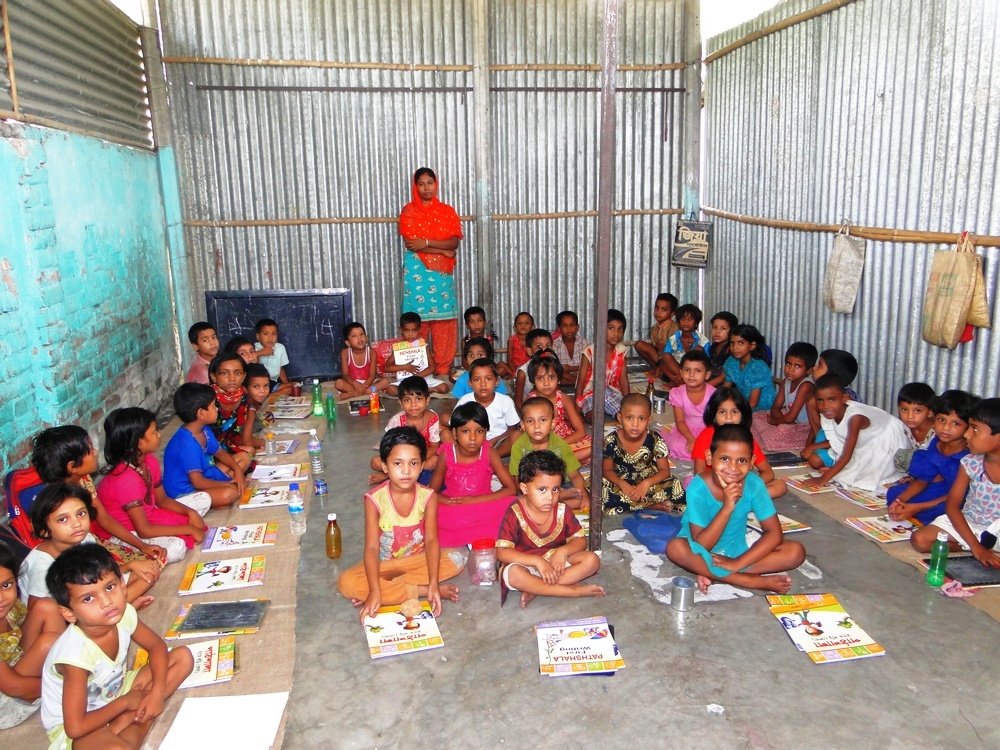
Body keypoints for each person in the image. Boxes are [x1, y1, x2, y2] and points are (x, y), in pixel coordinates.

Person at [40, 544, 192, 750]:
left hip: (117, 690)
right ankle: (133, 720)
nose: (106, 602)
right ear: (69, 613)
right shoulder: (74, 656)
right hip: (82, 725)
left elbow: (157, 647)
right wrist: (126, 703)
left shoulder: (123, 613)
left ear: (122, 584)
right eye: (88, 598)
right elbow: (75, 728)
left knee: (183, 657)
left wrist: (156, 693)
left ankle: (132, 718)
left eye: (110, 587)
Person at [338, 428, 466, 618]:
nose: (406, 470)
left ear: (422, 466)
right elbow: (371, 547)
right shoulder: (374, 499)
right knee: (347, 582)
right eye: (398, 463)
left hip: (416, 561)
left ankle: (389, 589)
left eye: (413, 463)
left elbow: (431, 540)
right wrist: (374, 590)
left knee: (455, 559)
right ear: (385, 466)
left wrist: (433, 581)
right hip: (386, 565)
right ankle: (418, 590)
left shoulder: (428, 496)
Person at [666, 425, 806, 594]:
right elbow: (702, 544)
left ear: (752, 462)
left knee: (795, 552)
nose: (733, 468)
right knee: (675, 548)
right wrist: (727, 508)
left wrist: (737, 563)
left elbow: (774, 533)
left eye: (742, 461)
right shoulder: (698, 487)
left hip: (737, 547)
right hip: (699, 549)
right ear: (709, 457)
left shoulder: (754, 484)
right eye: (725, 459)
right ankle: (749, 581)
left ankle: (710, 572)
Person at [20, 484, 159, 648]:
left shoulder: (85, 539)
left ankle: (114, 611)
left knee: (148, 572)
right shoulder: (41, 567)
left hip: (89, 595)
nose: (77, 524)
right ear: (44, 530)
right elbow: (39, 613)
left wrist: (131, 565)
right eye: (63, 519)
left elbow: (101, 576)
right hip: (63, 618)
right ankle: (120, 610)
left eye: (81, 514)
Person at [31, 427, 167, 566]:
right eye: (90, 450)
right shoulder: (54, 500)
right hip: (73, 558)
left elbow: (104, 518)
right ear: (72, 466)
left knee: (154, 562)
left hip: (89, 541)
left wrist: (142, 546)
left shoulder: (84, 480)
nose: (95, 452)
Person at [98, 407, 211, 564]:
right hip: (129, 531)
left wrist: (190, 512)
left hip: (150, 513)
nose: (159, 434)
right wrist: (189, 528)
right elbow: (144, 530)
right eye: (154, 432)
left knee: (203, 499)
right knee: (176, 547)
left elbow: (162, 500)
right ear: (139, 442)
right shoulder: (126, 480)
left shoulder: (149, 461)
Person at [496, 451, 603, 608]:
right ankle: (571, 591)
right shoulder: (515, 512)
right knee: (513, 574)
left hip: (556, 564)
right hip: (527, 565)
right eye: (542, 490)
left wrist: (562, 552)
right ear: (524, 488)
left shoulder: (562, 510)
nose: (550, 497)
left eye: (555, 489)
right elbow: (502, 552)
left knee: (592, 560)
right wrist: (537, 561)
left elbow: (580, 541)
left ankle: (536, 588)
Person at [910, 398, 1000, 567]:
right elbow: (952, 505)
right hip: (970, 523)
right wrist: (975, 546)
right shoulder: (970, 462)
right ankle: (974, 548)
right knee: (920, 540)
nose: (967, 434)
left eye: (975, 429)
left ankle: (982, 547)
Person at [399, 167, 464, 377]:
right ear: (415, 187)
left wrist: (426, 243)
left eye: (430, 182)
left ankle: (443, 370)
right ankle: (417, 372)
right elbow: (412, 244)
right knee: (416, 322)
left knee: (444, 322)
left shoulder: (447, 211)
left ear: (436, 184)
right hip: (417, 272)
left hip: (441, 276)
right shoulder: (409, 211)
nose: (426, 188)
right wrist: (443, 250)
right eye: (421, 184)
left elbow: (454, 242)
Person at [800, 374, 909, 492]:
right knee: (845, 473)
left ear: (844, 398)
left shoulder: (854, 418)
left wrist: (823, 479)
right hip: (869, 440)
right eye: (820, 400)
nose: (825, 406)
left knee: (867, 478)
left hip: (888, 438)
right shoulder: (832, 412)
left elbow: (846, 455)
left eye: (832, 399)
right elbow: (839, 440)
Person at [429, 403, 517, 547]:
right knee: (433, 515)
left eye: (479, 431)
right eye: (465, 431)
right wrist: (449, 501)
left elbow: (511, 489)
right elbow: (431, 492)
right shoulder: (447, 455)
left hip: (483, 504)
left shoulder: (489, 453)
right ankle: (477, 535)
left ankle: (474, 535)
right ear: (454, 433)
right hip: (455, 507)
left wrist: (474, 500)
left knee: (513, 505)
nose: (473, 437)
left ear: (486, 432)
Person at [887, 390, 976, 524]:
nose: (945, 428)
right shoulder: (936, 443)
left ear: (968, 427)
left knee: (941, 511)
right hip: (936, 488)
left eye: (956, 423)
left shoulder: (968, 456)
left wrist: (916, 507)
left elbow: (956, 497)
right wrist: (900, 501)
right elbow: (923, 480)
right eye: (941, 420)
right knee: (894, 494)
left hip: (954, 498)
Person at [0, 541, 58, 729]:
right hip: (8, 699)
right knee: (49, 642)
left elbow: (23, 630)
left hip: (14, 664)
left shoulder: (9, 607)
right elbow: (14, 687)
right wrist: (62, 686)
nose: (1, 598)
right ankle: (70, 681)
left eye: (6, 585)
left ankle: (70, 667)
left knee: (46, 606)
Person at [692, 386, 788, 499]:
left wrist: (745, 487)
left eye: (734, 412)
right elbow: (699, 473)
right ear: (713, 415)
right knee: (696, 488)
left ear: (742, 416)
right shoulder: (706, 435)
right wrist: (721, 487)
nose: (728, 417)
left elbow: (768, 472)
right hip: (714, 486)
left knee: (780, 485)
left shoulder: (745, 438)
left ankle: (742, 501)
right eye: (722, 412)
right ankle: (739, 502)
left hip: (741, 485)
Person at [163, 383, 245, 508]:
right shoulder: (186, 443)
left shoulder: (204, 430)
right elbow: (197, 482)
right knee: (229, 494)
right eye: (213, 406)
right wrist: (229, 485)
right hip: (186, 492)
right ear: (201, 413)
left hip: (205, 474)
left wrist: (238, 471)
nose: (217, 409)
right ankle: (221, 492)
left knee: (243, 457)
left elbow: (220, 454)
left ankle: (226, 487)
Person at [601, 393, 685, 515]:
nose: (635, 424)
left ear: (649, 420)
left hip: (648, 479)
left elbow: (665, 471)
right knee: (601, 491)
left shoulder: (654, 438)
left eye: (641, 419)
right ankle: (651, 505)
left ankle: (637, 505)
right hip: (620, 481)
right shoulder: (611, 440)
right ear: (620, 417)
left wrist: (646, 484)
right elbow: (607, 470)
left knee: (674, 484)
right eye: (629, 418)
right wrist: (622, 484)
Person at [508, 397, 588, 510]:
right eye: (530, 421)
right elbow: (517, 479)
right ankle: (558, 498)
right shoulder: (519, 446)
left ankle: (555, 497)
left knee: (581, 501)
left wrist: (584, 496)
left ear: (553, 423)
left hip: (559, 485)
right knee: (519, 503)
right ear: (523, 425)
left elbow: (574, 475)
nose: (537, 426)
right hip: (532, 489)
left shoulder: (560, 445)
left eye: (543, 420)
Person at [369, 376, 442, 485]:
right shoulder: (396, 421)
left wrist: (416, 461)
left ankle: (388, 476)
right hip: (400, 457)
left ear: (427, 400)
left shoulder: (432, 417)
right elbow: (389, 448)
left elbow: (434, 447)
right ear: (400, 403)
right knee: (375, 462)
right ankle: (406, 472)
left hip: (423, 456)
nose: (413, 404)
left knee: (436, 460)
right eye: (407, 400)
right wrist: (404, 461)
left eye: (418, 399)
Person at [752, 341, 818, 452]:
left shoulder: (806, 386)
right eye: (788, 364)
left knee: (775, 434)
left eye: (797, 366)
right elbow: (775, 407)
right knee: (755, 416)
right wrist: (779, 420)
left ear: (809, 370)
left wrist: (774, 422)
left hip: (804, 427)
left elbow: (790, 418)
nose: (790, 370)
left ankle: (777, 438)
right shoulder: (786, 382)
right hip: (788, 420)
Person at [526, 353, 591, 462]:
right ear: (533, 381)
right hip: (541, 445)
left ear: (559, 379)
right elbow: (529, 434)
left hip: (565, 441)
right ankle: (559, 461)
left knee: (596, 447)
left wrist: (558, 445)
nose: (546, 383)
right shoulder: (530, 401)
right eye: (540, 378)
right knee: (538, 455)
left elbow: (581, 431)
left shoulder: (563, 398)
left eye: (551, 377)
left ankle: (559, 460)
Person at [454, 360, 521, 456]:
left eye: (488, 379)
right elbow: (456, 426)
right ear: (470, 383)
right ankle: (476, 457)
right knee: (446, 434)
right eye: (477, 380)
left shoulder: (505, 401)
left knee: (517, 436)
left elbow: (512, 428)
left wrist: (495, 440)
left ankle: (490, 458)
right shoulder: (464, 401)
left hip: (498, 443)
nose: (483, 384)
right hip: (472, 441)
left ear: (497, 381)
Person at [576, 309, 631, 420]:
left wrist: (629, 403)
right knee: (593, 417)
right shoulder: (589, 351)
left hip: (612, 392)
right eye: (611, 328)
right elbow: (580, 382)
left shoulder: (621, 351)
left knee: (625, 415)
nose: (616, 333)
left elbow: (624, 380)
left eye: (620, 329)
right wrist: (577, 409)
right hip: (590, 393)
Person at [664, 349, 715, 461]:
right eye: (687, 370)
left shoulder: (714, 394)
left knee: (713, 447)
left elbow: (716, 421)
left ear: (707, 375)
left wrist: (704, 438)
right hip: (686, 430)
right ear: (681, 373)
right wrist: (691, 439)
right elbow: (680, 421)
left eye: (698, 371)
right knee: (676, 445)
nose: (691, 375)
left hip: (708, 430)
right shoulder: (677, 393)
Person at [208, 352, 256, 470]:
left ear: (244, 376)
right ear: (214, 377)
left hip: (225, 447)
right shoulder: (207, 399)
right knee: (245, 459)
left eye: (238, 373)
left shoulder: (244, 398)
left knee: (249, 452)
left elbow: (236, 435)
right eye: (225, 373)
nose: (232, 379)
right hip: (206, 452)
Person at [385, 311, 449, 396]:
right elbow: (387, 367)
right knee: (390, 389)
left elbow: (432, 367)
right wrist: (405, 367)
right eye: (407, 331)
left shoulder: (423, 346)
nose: (410, 334)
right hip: (405, 381)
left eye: (414, 331)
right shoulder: (398, 348)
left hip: (424, 379)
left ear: (419, 330)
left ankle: (412, 392)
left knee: (444, 388)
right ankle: (423, 391)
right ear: (401, 330)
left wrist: (416, 377)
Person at [723, 324, 776, 411]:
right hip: (743, 404)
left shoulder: (759, 367)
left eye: (741, 343)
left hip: (762, 409)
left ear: (752, 346)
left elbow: (753, 403)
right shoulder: (731, 362)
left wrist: (734, 412)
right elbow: (725, 389)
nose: (735, 348)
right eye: (732, 343)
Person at [334, 322, 390, 398]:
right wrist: (355, 384)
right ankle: (363, 393)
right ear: (348, 343)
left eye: (362, 334)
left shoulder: (371, 352)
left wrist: (364, 386)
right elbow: (345, 375)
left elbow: (372, 375)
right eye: (354, 336)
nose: (359, 338)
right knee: (338, 383)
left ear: (366, 338)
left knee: (385, 382)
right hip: (353, 384)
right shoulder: (345, 353)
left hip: (368, 384)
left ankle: (353, 394)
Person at [893, 381, 937, 473]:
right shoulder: (902, 427)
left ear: (930, 412)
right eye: (904, 410)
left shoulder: (937, 433)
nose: (910, 416)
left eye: (917, 411)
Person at [659, 303, 706, 386]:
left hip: (695, 374)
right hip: (675, 373)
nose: (686, 322)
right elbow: (663, 361)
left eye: (690, 319)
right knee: (665, 356)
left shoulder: (703, 341)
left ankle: (682, 381)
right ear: (678, 322)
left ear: (696, 323)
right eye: (683, 319)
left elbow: (707, 364)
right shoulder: (673, 339)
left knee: (699, 350)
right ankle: (682, 380)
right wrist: (674, 378)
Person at [634, 293, 678, 373]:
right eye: (657, 308)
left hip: (673, 361)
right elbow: (655, 347)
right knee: (639, 345)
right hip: (660, 358)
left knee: (662, 348)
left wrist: (662, 347)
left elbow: (674, 350)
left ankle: (666, 372)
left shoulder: (674, 328)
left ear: (672, 314)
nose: (658, 312)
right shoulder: (654, 328)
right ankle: (659, 370)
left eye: (664, 310)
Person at [513, 329, 554, 410]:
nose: (544, 350)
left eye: (548, 346)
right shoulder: (523, 372)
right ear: (529, 351)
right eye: (539, 347)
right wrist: (526, 414)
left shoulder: (553, 367)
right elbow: (518, 401)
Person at [551, 309, 588, 385]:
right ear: (559, 329)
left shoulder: (584, 343)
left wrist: (569, 369)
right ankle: (577, 382)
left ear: (577, 327)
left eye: (572, 325)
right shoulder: (554, 345)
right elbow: (554, 370)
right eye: (565, 326)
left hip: (581, 379)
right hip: (563, 383)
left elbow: (589, 367)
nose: (569, 328)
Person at [703, 311, 738, 387]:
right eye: (715, 327)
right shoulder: (713, 347)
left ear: (732, 331)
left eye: (723, 328)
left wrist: (702, 388)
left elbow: (722, 378)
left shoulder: (733, 350)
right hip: (711, 384)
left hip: (727, 388)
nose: (717, 332)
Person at [254, 318, 291, 387]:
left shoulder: (280, 348)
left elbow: (280, 369)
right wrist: (260, 353)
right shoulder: (253, 348)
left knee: (293, 386)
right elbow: (246, 361)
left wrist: (286, 384)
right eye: (265, 334)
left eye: (273, 334)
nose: (270, 338)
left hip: (273, 382)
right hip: (258, 383)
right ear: (258, 336)